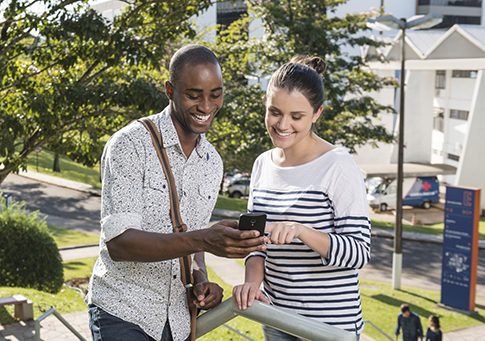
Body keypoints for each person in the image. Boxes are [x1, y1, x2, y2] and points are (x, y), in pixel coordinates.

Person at [86, 44, 267, 341]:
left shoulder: (212, 163)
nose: (206, 106)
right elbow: (119, 243)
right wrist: (204, 239)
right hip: (122, 313)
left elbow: (193, 246)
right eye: (193, 95)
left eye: (215, 94)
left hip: (178, 321)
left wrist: (201, 280)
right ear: (170, 90)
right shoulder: (129, 145)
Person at [232, 56, 371, 340]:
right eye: (275, 112)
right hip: (276, 319)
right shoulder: (262, 165)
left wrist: (301, 231)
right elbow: (256, 243)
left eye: (297, 116)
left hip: (328, 328)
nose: (282, 125)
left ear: (317, 113)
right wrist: (252, 284)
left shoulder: (338, 166)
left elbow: (358, 253)